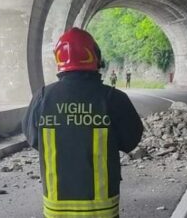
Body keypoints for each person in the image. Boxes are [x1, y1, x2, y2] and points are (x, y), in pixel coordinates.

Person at [22, 28, 143, 218]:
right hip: (102, 208)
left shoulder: (42, 98)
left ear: (59, 60)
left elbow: (33, 139)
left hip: (56, 207)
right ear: (95, 56)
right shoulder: (113, 98)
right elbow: (130, 140)